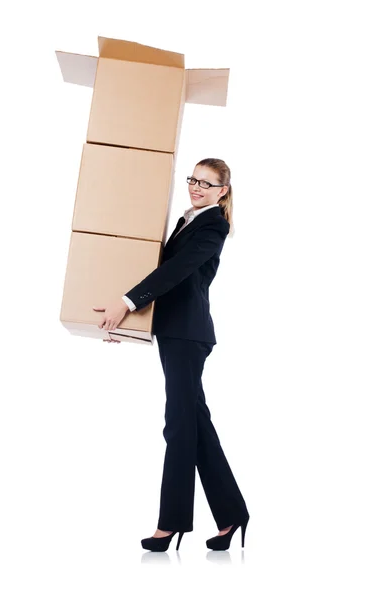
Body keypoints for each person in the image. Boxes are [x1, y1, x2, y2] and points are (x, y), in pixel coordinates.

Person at [93, 158, 250, 552]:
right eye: (193, 179)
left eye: (206, 183)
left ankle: (171, 523)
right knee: (195, 425)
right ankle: (233, 514)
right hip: (175, 332)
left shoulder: (214, 226)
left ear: (223, 191)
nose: (196, 187)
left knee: (178, 427)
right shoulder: (187, 220)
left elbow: (175, 272)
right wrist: (127, 325)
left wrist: (126, 304)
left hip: (188, 335)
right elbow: (159, 272)